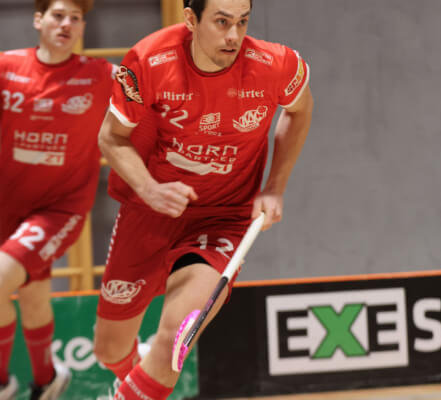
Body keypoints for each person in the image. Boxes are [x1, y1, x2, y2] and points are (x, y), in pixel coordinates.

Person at [93, 0, 313, 398]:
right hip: (149, 211)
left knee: (174, 340)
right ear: (191, 19)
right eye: (222, 22)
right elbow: (111, 137)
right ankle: (132, 382)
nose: (234, 35)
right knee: (109, 350)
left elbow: (300, 110)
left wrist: (275, 186)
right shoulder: (149, 60)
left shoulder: (275, 64)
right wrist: (149, 189)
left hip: (223, 218)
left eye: (242, 22)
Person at [0, 0, 114, 398]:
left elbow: (153, 99)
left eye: (75, 18)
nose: (67, 24)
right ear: (38, 20)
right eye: (58, 15)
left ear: (82, 27)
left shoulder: (101, 75)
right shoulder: (6, 67)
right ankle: (46, 380)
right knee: (32, 297)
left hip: (59, 209)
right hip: (6, 205)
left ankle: (3, 383)